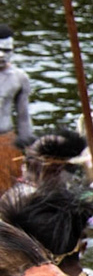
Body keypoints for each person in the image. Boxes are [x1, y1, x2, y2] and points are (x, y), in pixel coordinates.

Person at [0, 24, 35, 185]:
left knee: (7, 188)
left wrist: (30, 148)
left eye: (7, 51)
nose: (1, 55)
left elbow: (23, 116)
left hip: (5, 141)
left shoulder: (19, 78)